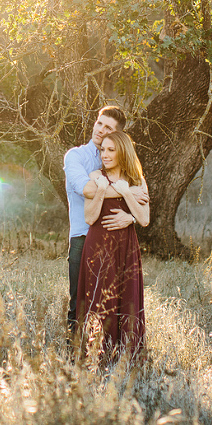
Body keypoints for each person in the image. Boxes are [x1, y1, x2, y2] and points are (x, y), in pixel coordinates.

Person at [63, 105, 146, 334]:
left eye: (108, 127)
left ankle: (110, 357)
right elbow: (87, 189)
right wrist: (126, 190)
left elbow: (142, 204)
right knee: (79, 303)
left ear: (115, 134)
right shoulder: (75, 156)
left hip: (116, 239)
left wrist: (131, 217)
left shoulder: (119, 160)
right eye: (99, 123)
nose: (100, 129)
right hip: (83, 237)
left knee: (115, 302)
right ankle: (75, 359)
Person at [77, 129, 148, 364]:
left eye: (111, 150)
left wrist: (127, 197)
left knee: (127, 298)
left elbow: (145, 219)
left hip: (126, 246)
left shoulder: (136, 180)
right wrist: (100, 190)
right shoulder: (96, 175)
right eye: (102, 150)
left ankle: (128, 357)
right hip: (99, 245)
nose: (105, 154)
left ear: (122, 151)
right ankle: (99, 355)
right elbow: (89, 217)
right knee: (100, 298)